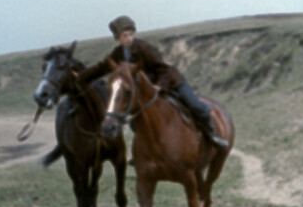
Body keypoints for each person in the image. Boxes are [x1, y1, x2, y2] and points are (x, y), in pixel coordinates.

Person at [79, 15, 229, 149]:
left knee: (194, 105)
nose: (129, 38)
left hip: (171, 81)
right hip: (150, 89)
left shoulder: (144, 48)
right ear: (118, 38)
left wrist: (159, 85)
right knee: (135, 121)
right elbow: (102, 67)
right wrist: (80, 77)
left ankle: (213, 134)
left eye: (131, 34)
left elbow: (164, 69)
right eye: (125, 35)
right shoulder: (118, 53)